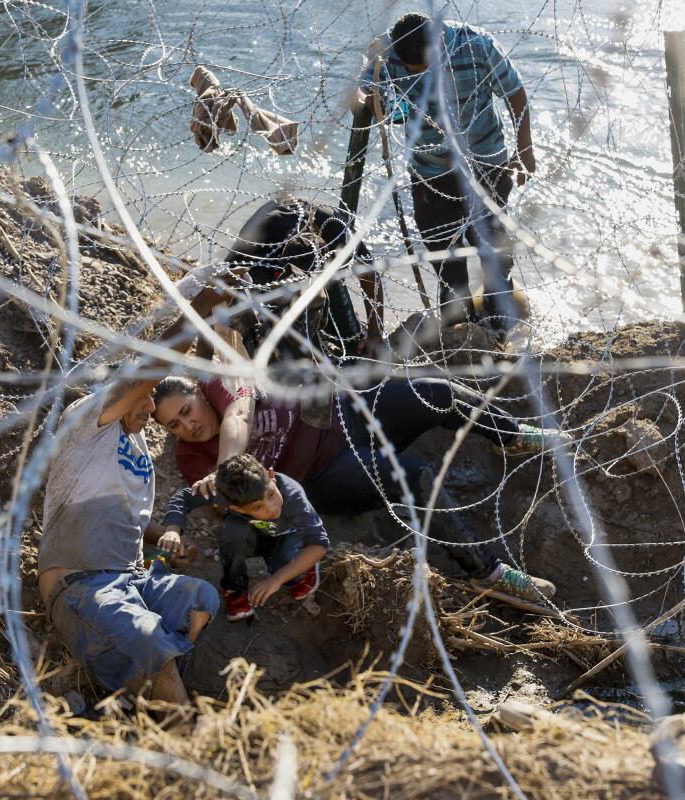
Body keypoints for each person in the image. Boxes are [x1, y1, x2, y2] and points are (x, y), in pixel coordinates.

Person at [152, 374, 559, 602]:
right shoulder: (191, 459)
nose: (187, 426)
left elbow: (239, 415)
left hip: (344, 415)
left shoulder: (221, 386)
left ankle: (513, 435)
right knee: (414, 475)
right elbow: (239, 507)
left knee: (436, 392)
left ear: (200, 393)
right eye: (174, 425)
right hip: (325, 472)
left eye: (186, 411)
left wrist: (227, 465)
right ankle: (486, 572)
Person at [38, 287, 226, 706]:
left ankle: (142, 690)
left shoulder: (138, 451)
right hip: (80, 583)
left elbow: (131, 521)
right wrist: (198, 309)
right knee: (147, 635)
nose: (151, 407)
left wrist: (165, 539)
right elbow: (152, 367)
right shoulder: (90, 420)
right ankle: (180, 725)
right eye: (145, 396)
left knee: (201, 598)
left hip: (130, 578)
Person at [358, 12, 535, 330]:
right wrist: (371, 96)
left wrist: (525, 150)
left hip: (486, 162)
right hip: (431, 170)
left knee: (492, 247)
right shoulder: (385, 53)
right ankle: (459, 327)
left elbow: (515, 94)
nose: (423, 76)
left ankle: (499, 321)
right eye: (415, 71)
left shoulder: (478, 47)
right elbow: (374, 100)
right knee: (444, 253)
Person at [209, 196, 385, 361]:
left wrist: (375, 335)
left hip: (321, 260)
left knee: (350, 340)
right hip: (265, 265)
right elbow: (218, 288)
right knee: (255, 330)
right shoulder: (257, 241)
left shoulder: (336, 232)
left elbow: (370, 275)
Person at [160, 453, 330, 621]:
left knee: (289, 566)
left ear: (271, 476)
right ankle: (235, 589)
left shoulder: (293, 495)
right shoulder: (225, 493)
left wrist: (276, 579)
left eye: (271, 494)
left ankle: (301, 572)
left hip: (288, 537)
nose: (271, 508)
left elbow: (319, 544)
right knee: (232, 533)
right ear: (238, 508)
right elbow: (184, 498)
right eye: (257, 508)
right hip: (252, 536)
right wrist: (173, 529)